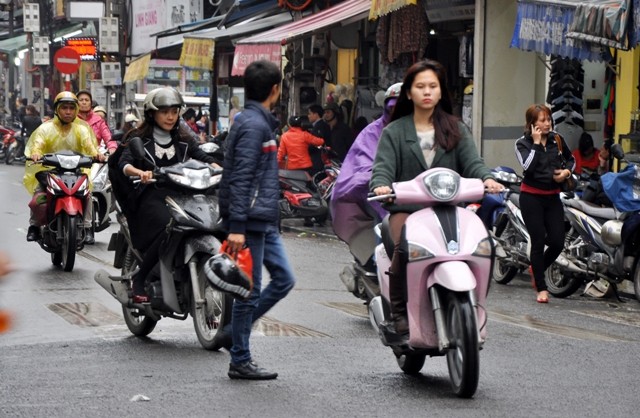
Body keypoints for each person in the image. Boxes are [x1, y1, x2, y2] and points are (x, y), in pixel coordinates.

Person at [370, 60, 503, 341]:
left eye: (433, 86)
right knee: (402, 249)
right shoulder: (394, 132)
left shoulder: (456, 129)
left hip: (449, 209)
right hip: (407, 211)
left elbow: (473, 164)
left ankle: (474, 305)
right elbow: (382, 167)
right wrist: (382, 185)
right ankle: (399, 315)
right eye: (420, 87)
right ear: (409, 93)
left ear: (442, 92)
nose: (427, 92)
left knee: (483, 247)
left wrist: (487, 179)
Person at [216, 60, 296, 380]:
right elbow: (242, 177)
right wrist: (237, 227)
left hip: (262, 218)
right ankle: (240, 357)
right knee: (249, 291)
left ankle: (232, 332)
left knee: (284, 279)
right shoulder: (254, 125)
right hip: (249, 220)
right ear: (275, 90)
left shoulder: (256, 121)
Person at [115, 87, 219, 304]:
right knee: (168, 225)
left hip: (182, 193)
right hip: (151, 193)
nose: (170, 116)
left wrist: (219, 169)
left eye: (174, 111)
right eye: (164, 112)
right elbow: (124, 163)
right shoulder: (138, 138)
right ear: (152, 113)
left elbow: (201, 156)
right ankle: (141, 278)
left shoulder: (184, 138)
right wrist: (140, 172)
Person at [331, 82, 402, 270]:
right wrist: (378, 180)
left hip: (420, 195)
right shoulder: (373, 132)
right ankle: (382, 268)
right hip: (383, 194)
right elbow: (365, 162)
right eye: (393, 108)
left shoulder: (430, 130)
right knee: (385, 222)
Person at [23, 92, 104, 244]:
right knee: (39, 194)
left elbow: (90, 147)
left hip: (76, 171)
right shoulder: (45, 129)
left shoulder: (82, 129)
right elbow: (37, 145)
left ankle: (87, 228)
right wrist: (35, 153)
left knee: (88, 194)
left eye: (72, 108)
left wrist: (97, 155)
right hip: (49, 171)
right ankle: (33, 226)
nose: (68, 112)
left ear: (76, 110)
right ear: (57, 109)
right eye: (64, 108)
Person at [515, 104, 575, 304]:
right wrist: (535, 143)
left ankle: (536, 267)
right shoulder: (522, 143)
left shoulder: (557, 139)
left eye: (548, 119)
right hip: (531, 197)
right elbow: (527, 166)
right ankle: (541, 287)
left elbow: (571, 159)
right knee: (538, 239)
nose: (547, 123)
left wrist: (566, 173)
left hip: (552, 197)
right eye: (542, 120)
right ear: (532, 123)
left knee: (558, 241)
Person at [307, 104, 331, 174]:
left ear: (316, 114)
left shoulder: (320, 126)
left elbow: (316, 144)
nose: (308, 116)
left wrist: (306, 147)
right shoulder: (320, 125)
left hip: (318, 161)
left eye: (310, 113)